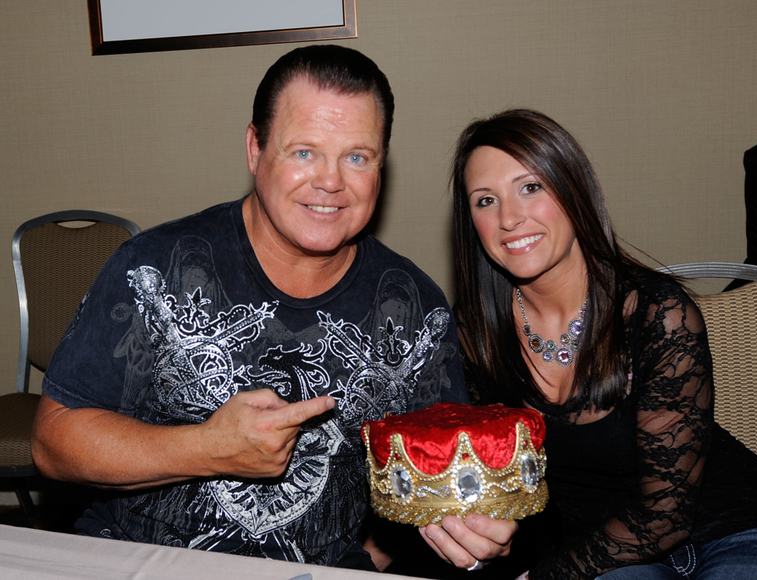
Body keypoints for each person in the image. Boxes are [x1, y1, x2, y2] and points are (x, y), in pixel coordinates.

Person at [31, 44, 515, 571]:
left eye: (357, 157)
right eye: (303, 151)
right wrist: (207, 447)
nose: (331, 181)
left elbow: (436, 482)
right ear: (255, 150)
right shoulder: (155, 268)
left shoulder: (416, 309)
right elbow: (54, 442)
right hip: (140, 561)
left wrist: (478, 530)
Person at [449, 108, 757, 579]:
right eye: (485, 200)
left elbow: (667, 515)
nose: (509, 217)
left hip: (738, 528)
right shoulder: (476, 333)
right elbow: (489, 481)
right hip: (603, 551)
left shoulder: (657, 312)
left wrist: (541, 577)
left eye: (530, 187)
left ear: (573, 190)